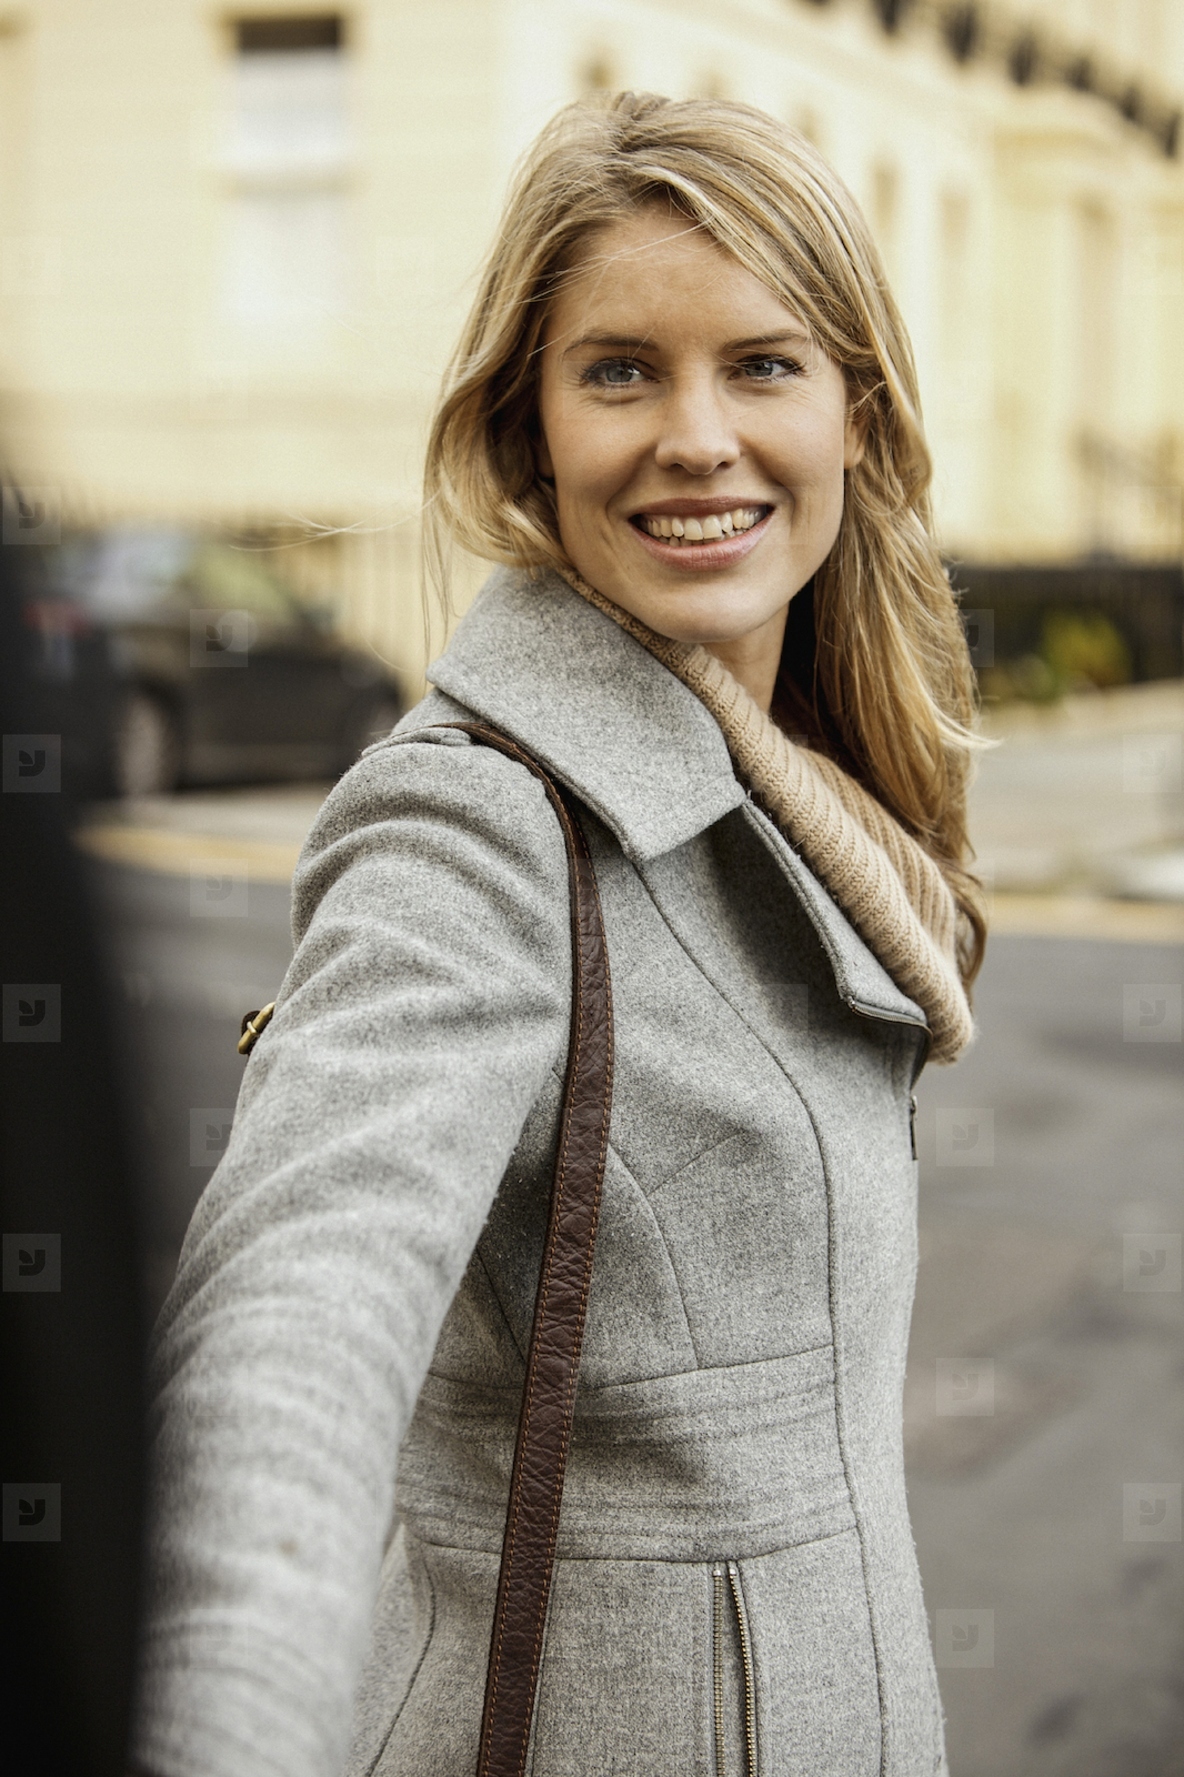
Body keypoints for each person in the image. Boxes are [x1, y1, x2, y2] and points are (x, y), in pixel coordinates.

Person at [132, 92, 986, 1777]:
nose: (696, 434)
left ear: (857, 418)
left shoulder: (808, 794)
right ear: (528, 431)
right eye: (619, 370)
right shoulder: (469, 828)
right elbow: (290, 1334)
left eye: (761, 363)